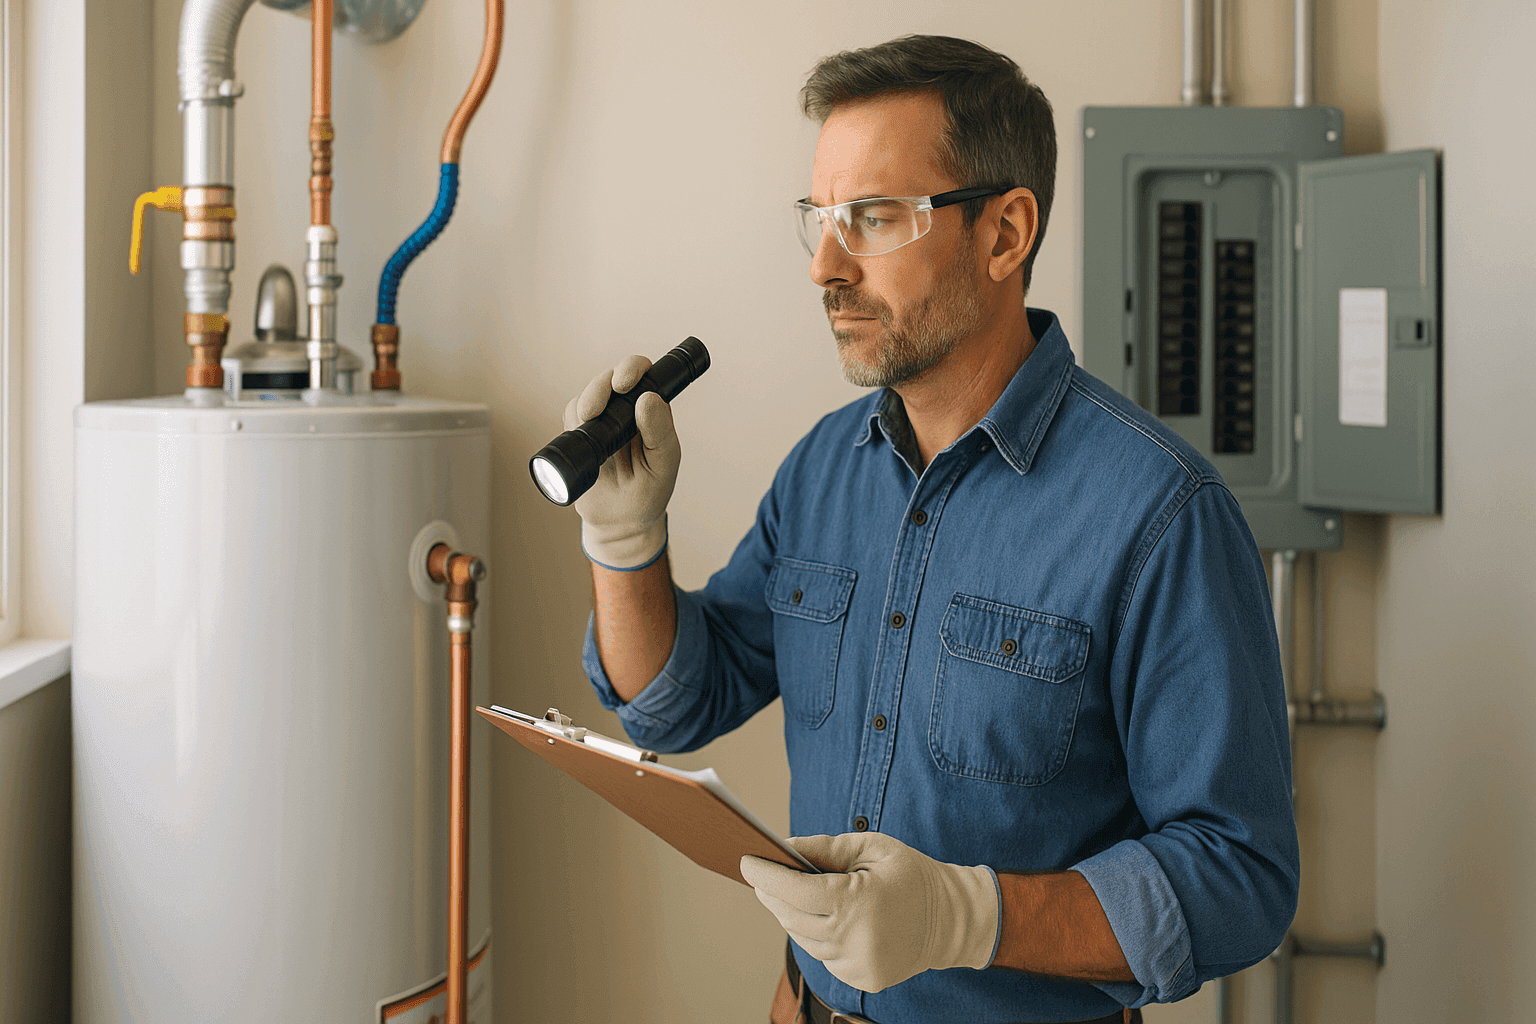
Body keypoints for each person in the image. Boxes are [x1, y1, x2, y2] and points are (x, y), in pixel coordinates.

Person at [564, 34, 1298, 1024]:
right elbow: (676, 703)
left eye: (872, 218)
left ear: (1004, 234)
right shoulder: (824, 468)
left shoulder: (1162, 516)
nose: (826, 267)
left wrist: (971, 916)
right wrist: (624, 544)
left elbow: (1238, 877)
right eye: (820, 219)